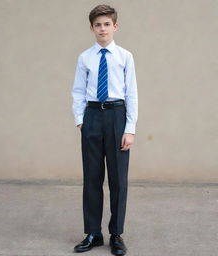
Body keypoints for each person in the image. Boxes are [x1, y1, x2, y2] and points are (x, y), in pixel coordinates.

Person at [71, 4, 138, 256]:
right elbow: (78, 90)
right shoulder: (85, 57)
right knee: (92, 178)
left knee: (118, 179)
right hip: (92, 116)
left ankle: (116, 234)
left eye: (106, 24)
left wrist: (129, 128)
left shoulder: (125, 56)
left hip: (117, 116)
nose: (102, 29)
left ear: (115, 26)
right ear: (91, 28)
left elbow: (131, 93)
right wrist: (81, 121)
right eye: (97, 25)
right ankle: (93, 233)